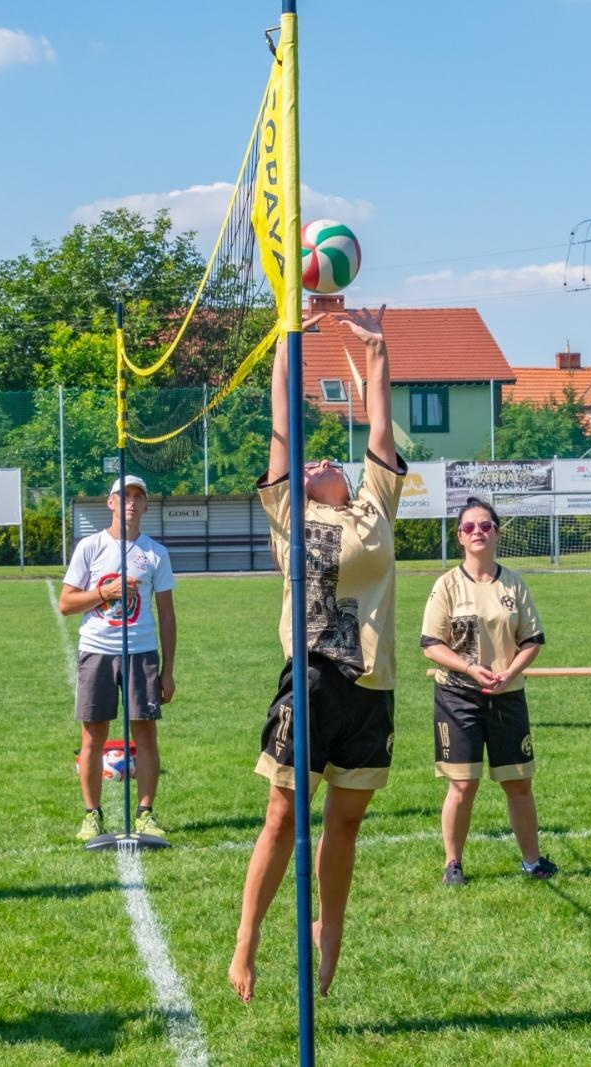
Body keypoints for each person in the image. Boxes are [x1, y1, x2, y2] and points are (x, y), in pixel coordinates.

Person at [228, 306, 406, 1003]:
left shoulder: (375, 506)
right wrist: (285, 341)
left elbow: (381, 422)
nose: (322, 459)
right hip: (310, 678)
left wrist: (374, 348)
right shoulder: (289, 517)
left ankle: (329, 929)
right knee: (283, 814)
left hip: (371, 683)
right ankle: (247, 940)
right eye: (311, 463)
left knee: (347, 821)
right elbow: (282, 421)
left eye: (332, 460)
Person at [420, 496, 555, 886]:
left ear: (497, 532)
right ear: (459, 537)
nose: (477, 532)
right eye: (468, 527)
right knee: (462, 785)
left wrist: (509, 671)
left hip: (507, 696)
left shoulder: (513, 583)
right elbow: (431, 643)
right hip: (458, 697)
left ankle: (532, 861)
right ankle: (453, 864)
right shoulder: (446, 585)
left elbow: (532, 640)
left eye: (485, 526)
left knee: (518, 782)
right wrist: (468, 668)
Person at [58, 474, 177, 840]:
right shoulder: (90, 548)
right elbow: (66, 603)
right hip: (97, 651)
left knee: (145, 733)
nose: (130, 502)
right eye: (122, 496)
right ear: (110, 503)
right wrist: (104, 591)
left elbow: (167, 614)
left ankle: (145, 812)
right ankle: (92, 814)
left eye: (137, 496)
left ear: (145, 505)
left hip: (140, 653)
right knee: (93, 736)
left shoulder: (155, 553)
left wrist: (168, 670)